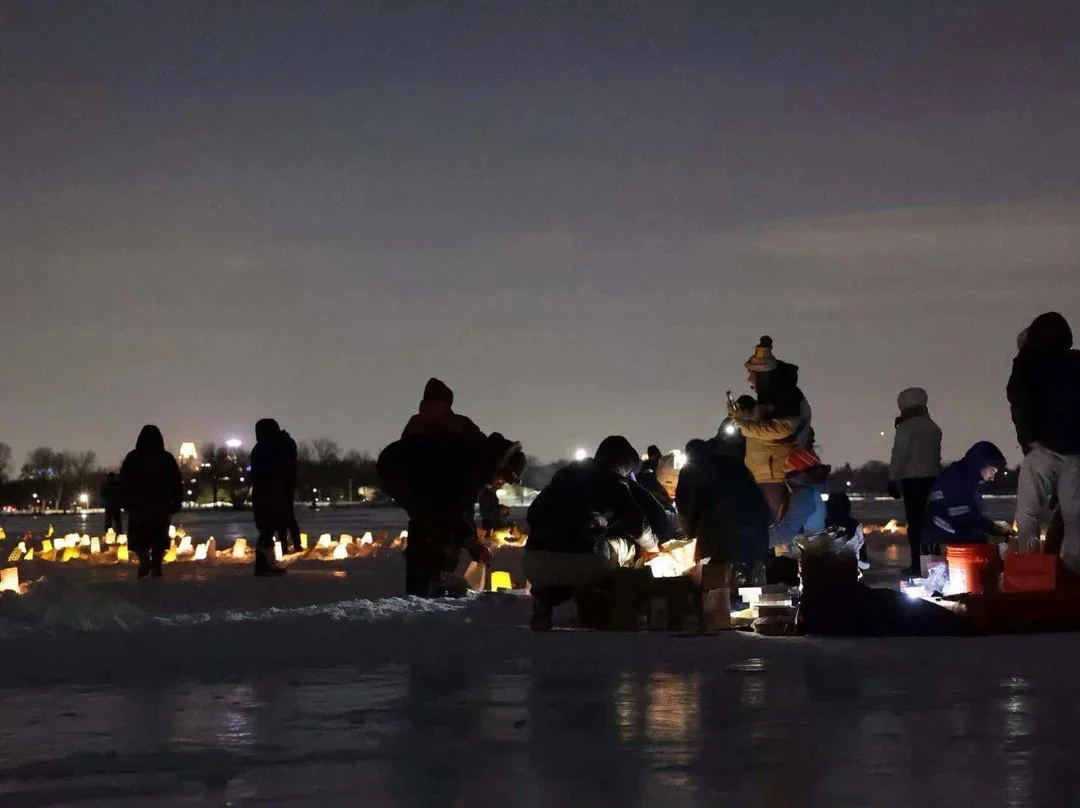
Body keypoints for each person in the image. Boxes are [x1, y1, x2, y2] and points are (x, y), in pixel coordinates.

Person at [524, 435, 657, 630]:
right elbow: (637, 524)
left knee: (577, 554)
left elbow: (532, 515)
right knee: (627, 548)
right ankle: (611, 603)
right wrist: (653, 546)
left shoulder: (563, 476)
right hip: (581, 563)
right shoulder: (614, 482)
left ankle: (545, 598)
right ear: (623, 466)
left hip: (533, 562)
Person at [379, 427, 526, 597]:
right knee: (431, 518)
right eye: (503, 480)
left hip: (415, 473)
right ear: (501, 467)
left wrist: (472, 541)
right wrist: (471, 543)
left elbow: (465, 508)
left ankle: (433, 575)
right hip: (400, 467)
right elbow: (453, 507)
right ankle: (425, 581)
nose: (501, 484)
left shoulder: (482, 460)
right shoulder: (476, 463)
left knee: (439, 520)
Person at [1008, 312, 1080, 570]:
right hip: (1075, 454)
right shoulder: (1076, 361)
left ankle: (1029, 571)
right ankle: (1074, 576)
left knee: (1028, 514)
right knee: (1075, 519)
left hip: (1042, 450)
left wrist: (1028, 441)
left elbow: (1020, 404)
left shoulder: (1027, 363)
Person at [729, 336, 813, 522]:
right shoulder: (773, 395)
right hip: (764, 473)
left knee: (773, 530)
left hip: (775, 475)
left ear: (763, 374)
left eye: (752, 373)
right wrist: (739, 415)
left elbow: (782, 429)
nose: (748, 378)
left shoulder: (786, 396)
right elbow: (762, 424)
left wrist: (744, 426)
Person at [676, 438, 770, 583]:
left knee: (719, 579)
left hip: (719, 530)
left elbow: (684, 508)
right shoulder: (732, 462)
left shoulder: (690, 470)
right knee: (753, 578)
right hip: (756, 526)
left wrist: (691, 539)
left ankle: (722, 602)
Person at [888, 387, 943, 576]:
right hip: (933, 479)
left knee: (916, 525)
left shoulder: (906, 427)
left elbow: (899, 454)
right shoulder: (933, 427)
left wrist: (893, 478)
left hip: (913, 482)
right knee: (931, 524)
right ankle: (933, 562)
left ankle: (917, 564)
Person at [118, 425, 182, 579]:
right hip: (160, 505)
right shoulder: (166, 458)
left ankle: (146, 562)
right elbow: (176, 481)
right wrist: (176, 500)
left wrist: (125, 500)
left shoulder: (133, 457)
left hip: (139, 505)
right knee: (158, 538)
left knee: (140, 539)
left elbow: (123, 481)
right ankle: (156, 567)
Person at [924, 441, 1011, 546]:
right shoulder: (954, 479)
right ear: (981, 464)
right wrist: (984, 537)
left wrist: (994, 528)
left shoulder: (971, 483)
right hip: (939, 546)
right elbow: (953, 521)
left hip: (951, 541)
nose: (992, 478)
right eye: (992, 471)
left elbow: (971, 517)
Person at [250, 418, 296, 576]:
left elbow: (262, 472)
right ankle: (266, 563)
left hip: (269, 493)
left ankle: (265, 563)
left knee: (268, 528)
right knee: (269, 529)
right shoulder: (280, 445)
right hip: (274, 492)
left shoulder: (266, 447)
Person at [767, 448, 828, 550]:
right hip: (805, 552)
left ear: (802, 475)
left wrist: (757, 542)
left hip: (802, 554)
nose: (786, 477)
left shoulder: (805, 497)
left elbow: (786, 533)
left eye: (789, 471)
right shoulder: (810, 493)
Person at [402, 377, 483, 438]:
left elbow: (482, 445)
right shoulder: (415, 424)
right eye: (428, 402)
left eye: (434, 401)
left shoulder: (460, 423)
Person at [824, 490, 869, 570]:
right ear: (848, 507)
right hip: (850, 573)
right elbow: (864, 562)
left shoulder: (823, 526)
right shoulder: (856, 527)